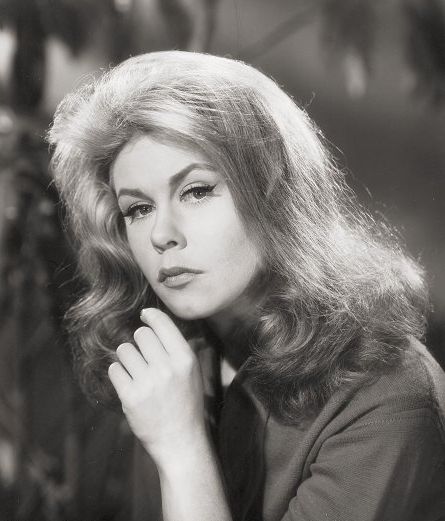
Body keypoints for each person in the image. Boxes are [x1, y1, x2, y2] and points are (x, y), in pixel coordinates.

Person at [47, 51, 445, 521]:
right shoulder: (174, 360)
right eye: (138, 209)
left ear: (274, 192)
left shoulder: (386, 395)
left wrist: (180, 450)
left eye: (196, 191)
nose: (160, 234)